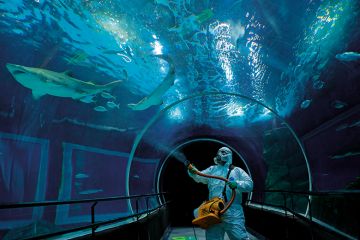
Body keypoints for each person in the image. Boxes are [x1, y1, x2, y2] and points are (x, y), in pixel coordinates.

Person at [188, 146, 253, 240]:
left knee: (240, 238)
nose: (220, 154)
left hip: (233, 212)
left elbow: (250, 185)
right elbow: (200, 177)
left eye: (223, 152)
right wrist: (193, 172)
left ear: (229, 156)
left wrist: (237, 184)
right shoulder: (212, 170)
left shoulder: (237, 171)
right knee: (213, 238)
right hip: (214, 211)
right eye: (219, 152)